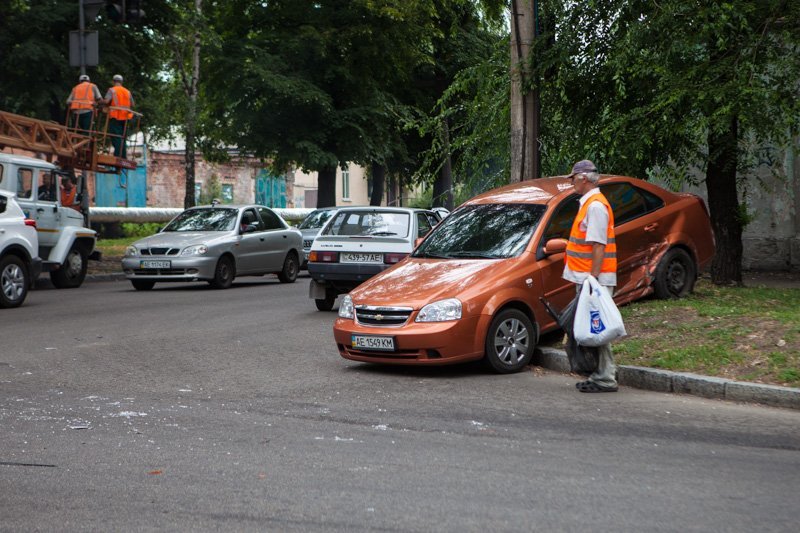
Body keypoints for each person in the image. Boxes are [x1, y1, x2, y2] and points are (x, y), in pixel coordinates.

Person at [563, 159, 619, 393]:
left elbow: (598, 245)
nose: (572, 182)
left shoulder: (595, 206)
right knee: (594, 329)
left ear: (583, 178)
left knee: (597, 330)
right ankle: (602, 374)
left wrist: (592, 279)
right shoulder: (590, 204)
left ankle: (605, 377)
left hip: (594, 279)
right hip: (590, 278)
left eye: (573, 178)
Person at [103, 74, 135, 158]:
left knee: (116, 136)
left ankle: (118, 155)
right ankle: (123, 155)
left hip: (115, 116)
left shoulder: (112, 90)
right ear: (121, 82)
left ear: (113, 81)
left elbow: (106, 101)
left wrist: (100, 103)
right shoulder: (127, 91)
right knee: (122, 137)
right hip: (126, 117)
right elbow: (133, 104)